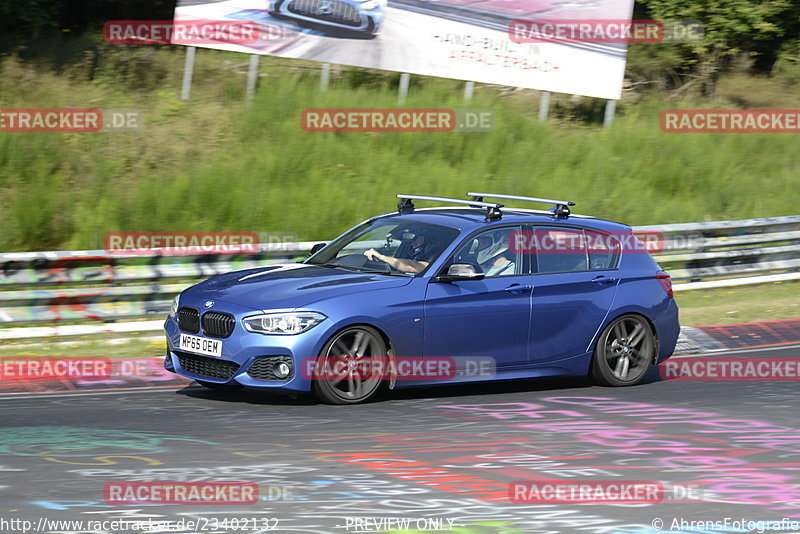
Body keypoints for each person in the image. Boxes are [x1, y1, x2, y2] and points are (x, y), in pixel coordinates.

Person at [363, 231, 433, 273]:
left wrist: (380, 256)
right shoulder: (411, 251)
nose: (413, 244)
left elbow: (413, 267)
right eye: (412, 240)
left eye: (420, 240)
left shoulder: (436, 256)